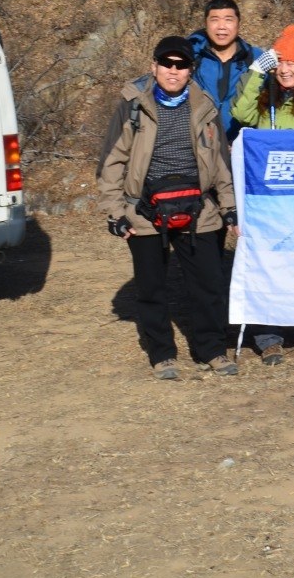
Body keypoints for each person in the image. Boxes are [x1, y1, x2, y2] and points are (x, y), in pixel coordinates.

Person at [97, 35, 239, 379]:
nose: (173, 71)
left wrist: (229, 206)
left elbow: (220, 162)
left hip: (199, 209)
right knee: (151, 286)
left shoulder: (205, 106)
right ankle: (162, 353)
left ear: (190, 70)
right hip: (144, 211)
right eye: (166, 64)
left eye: (181, 65)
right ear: (154, 66)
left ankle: (212, 350)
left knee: (208, 284)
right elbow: (112, 162)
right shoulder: (132, 106)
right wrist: (116, 213)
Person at [229, 24, 294, 364]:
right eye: (278, 62)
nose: (285, 69)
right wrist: (254, 73)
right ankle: (268, 336)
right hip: (266, 201)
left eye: (291, 62)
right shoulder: (265, 99)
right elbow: (239, 114)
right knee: (268, 265)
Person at [188, 0, 259, 142]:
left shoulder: (255, 59)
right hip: (198, 145)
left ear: (238, 24)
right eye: (214, 20)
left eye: (228, 20)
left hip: (241, 148)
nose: (221, 26)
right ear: (205, 24)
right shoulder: (191, 57)